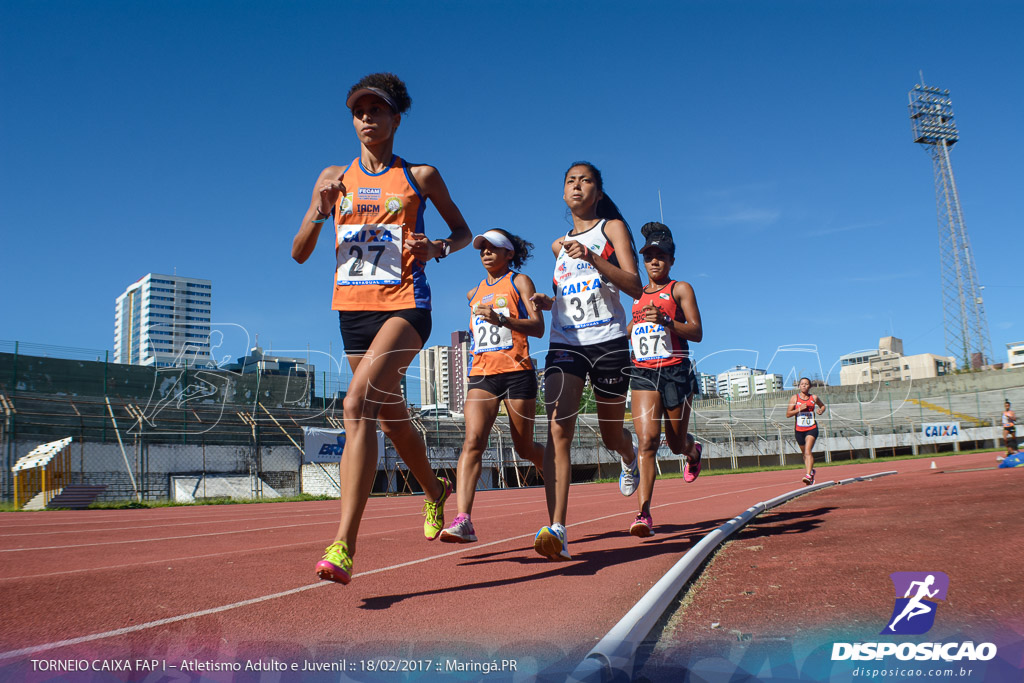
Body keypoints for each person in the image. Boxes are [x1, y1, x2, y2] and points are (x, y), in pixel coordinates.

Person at [291, 73, 472, 584]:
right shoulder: (333, 175)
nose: (367, 117)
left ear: (396, 119)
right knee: (390, 417)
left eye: (378, 110)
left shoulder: (421, 175)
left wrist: (435, 247)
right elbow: (300, 252)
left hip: (406, 306)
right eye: (359, 110)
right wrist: (320, 213)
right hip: (353, 311)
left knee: (356, 405)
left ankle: (344, 543)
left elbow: (463, 232)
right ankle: (435, 491)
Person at [529, 161, 643, 561]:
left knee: (612, 436)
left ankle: (629, 458)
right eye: (570, 182)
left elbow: (635, 286)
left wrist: (594, 257)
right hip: (566, 343)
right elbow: (566, 293)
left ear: (598, 190)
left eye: (586, 181)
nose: (577, 186)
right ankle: (557, 529)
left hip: (609, 342)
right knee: (559, 428)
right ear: (563, 194)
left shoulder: (612, 229)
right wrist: (548, 300)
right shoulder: (557, 246)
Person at [439, 230, 546, 543]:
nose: (485, 252)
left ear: (508, 253)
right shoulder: (473, 293)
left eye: (493, 248)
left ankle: (553, 467)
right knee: (473, 441)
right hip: (482, 373)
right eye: (482, 248)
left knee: (524, 447)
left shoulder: (520, 282)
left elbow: (538, 328)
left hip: (517, 372)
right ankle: (464, 520)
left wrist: (503, 321)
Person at [627, 222, 704, 538]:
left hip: (676, 371)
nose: (654, 262)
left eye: (661, 256)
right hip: (643, 373)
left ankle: (692, 451)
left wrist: (668, 321)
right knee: (647, 441)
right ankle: (644, 513)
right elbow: (631, 331)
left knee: (674, 444)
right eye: (649, 257)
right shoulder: (634, 296)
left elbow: (697, 332)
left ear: (671, 260)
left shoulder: (680, 289)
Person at [786, 378, 826, 485]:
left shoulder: (814, 398)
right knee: (804, 454)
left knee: (808, 451)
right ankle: (812, 471)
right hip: (799, 429)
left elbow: (822, 406)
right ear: (799, 386)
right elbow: (788, 414)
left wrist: (821, 410)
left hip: (811, 428)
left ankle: (808, 475)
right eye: (802, 384)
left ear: (809, 386)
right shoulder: (794, 398)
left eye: (806, 384)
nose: (804, 386)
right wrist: (799, 409)